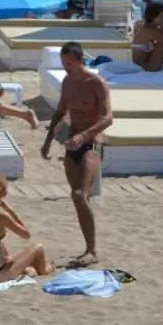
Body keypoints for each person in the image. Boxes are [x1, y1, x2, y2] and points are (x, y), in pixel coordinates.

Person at [43, 42, 111, 266]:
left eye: (70, 63)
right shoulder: (68, 81)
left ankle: (92, 251)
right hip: (72, 145)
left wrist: (84, 136)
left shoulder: (96, 83)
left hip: (92, 144)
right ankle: (88, 248)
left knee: (79, 195)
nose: (67, 68)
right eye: (64, 64)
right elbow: (61, 111)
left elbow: (108, 118)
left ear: (81, 59)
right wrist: (48, 140)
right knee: (80, 197)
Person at [130, 1, 163, 72]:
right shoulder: (150, 31)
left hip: (141, 64)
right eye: (162, 16)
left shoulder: (141, 26)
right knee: (162, 45)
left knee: (162, 42)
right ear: (153, 16)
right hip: (147, 68)